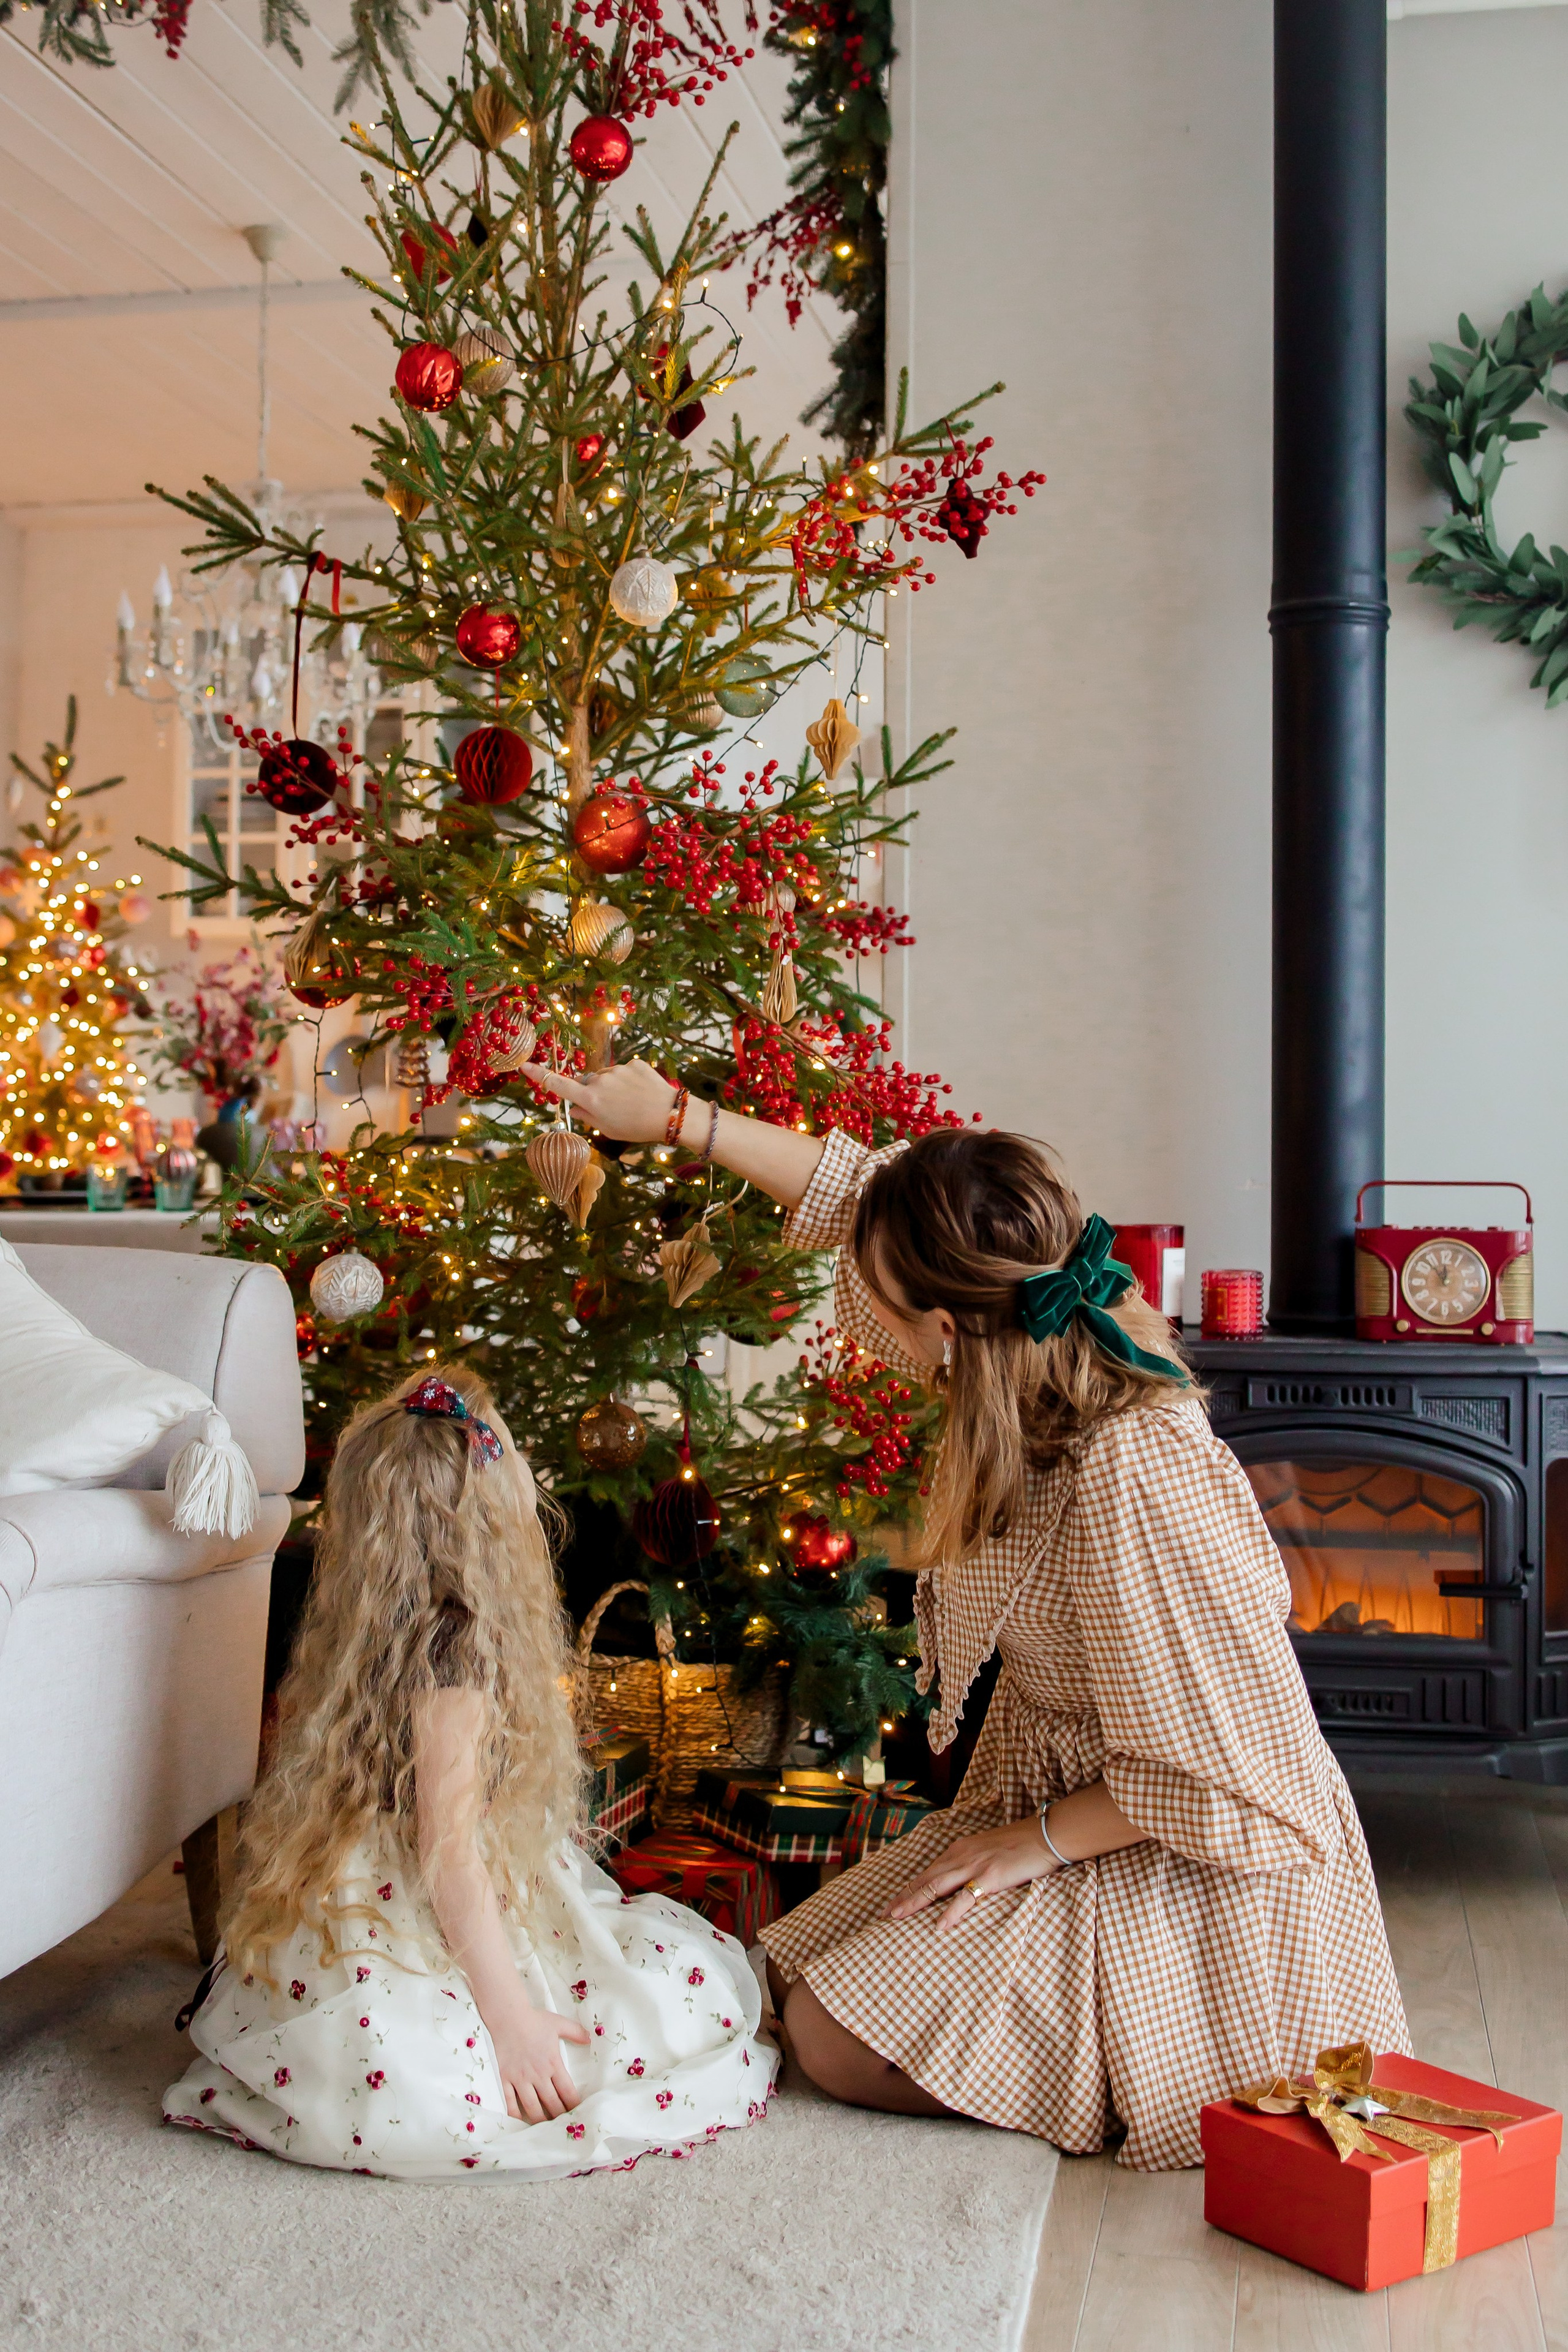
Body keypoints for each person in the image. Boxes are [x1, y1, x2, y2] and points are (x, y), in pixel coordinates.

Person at [522, 1058, 1410, 2171]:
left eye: (890, 1311)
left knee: (830, 2036)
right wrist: (678, 1119)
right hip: (1058, 1797)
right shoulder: (1016, 1337)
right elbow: (864, 1197)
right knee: (788, 1972)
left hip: (1173, 1856)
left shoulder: (1134, 1472)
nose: (873, 1327)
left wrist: (1029, 1845)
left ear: (946, 1325)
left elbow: (1226, 1773)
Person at [163, 1365, 776, 2180]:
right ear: (485, 1509)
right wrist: (511, 2018)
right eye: (512, 1454)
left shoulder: (379, 1625)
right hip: (431, 1902)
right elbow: (449, 1858)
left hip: (367, 1889)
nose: (526, 1472)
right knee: (665, 2007)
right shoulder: (455, 1655)